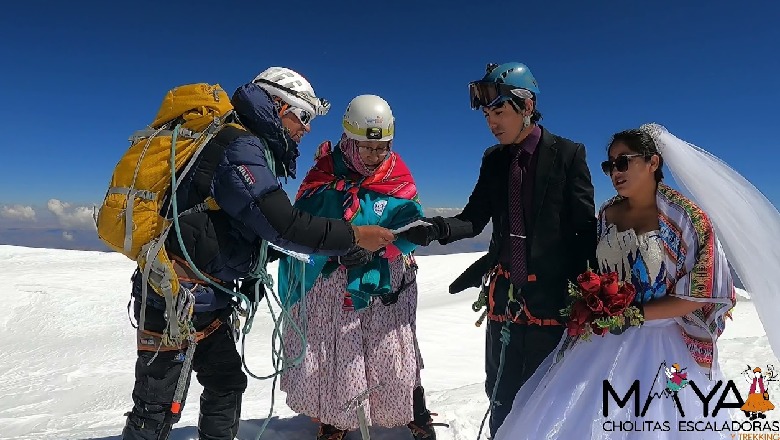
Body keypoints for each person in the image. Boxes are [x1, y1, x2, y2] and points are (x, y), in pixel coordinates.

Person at [122, 68, 394, 440]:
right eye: (304, 117)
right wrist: (354, 236)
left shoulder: (239, 143)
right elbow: (283, 224)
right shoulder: (240, 147)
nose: (308, 128)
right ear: (279, 105)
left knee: (225, 383)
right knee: (158, 405)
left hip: (200, 294)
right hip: (177, 294)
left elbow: (253, 229)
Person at [494, 125, 739, 439]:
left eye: (623, 162)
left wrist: (634, 315)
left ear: (653, 163)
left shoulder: (686, 219)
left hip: (663, 343)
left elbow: (701, 294)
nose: (614, 172)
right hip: (605, 337)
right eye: (609, 165)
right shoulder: (608, 212)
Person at [399, 61, 597, 437]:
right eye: (487, 114)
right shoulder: (494, 160)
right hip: (505, 298)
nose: (491, 122)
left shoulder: (568, 155)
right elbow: (474, 218)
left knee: (544, 395)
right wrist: (435, 228)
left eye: (499, 111)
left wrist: (583, 295)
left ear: (526, 106)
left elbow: (583, 230)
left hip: (552, 299)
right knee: (501, 393)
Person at [277, 95, 439, 440]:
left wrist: (385, 251)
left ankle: (413, 405)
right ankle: (335, 419)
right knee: (337, 351)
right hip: (333, 284)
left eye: (382, 148)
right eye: (367, 148)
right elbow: (304, 226)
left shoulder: (396, 174)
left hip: (384, 282)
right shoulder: (323, 174)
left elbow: (413, 226)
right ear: (348, 141)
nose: (376, 157)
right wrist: (338, 250)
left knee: (391, 347)